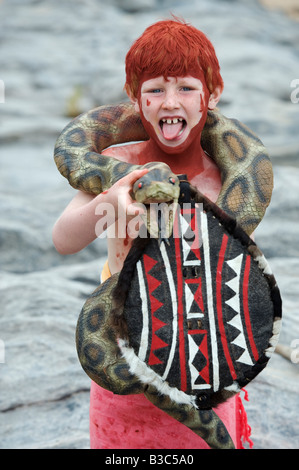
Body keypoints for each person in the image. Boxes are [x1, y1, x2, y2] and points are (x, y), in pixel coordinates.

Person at [53, 18, 252, 449]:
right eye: (155, 90)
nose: (169, 101)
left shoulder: (228, 178)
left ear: (212, 95)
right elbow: (63, 240)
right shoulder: (114, 163)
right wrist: (109, 203)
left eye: (185, 88)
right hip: (121, 354)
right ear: (135, 101)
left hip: (203, 361)